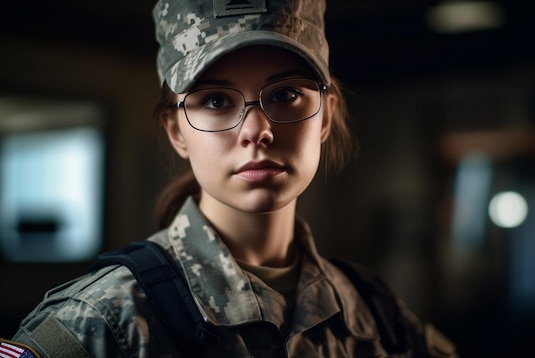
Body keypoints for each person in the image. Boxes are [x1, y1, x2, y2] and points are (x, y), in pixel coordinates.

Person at [2, 0, 457, 357]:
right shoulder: (104, 323)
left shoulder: (379, 317)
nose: (257, 130)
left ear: (324, 118)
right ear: (176, 129)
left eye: (286, 94)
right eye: (216, 101)